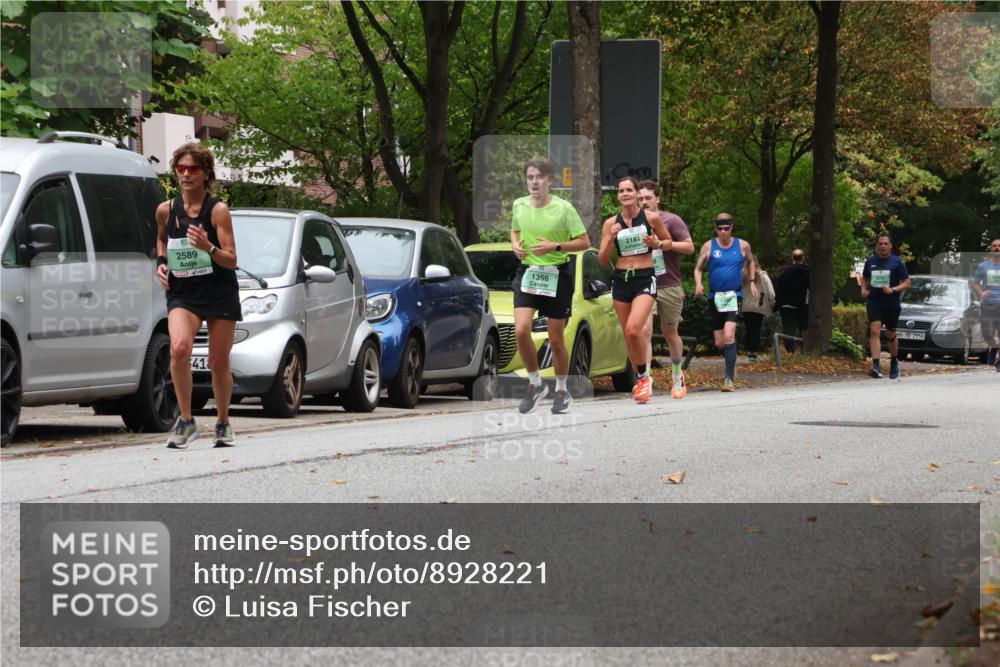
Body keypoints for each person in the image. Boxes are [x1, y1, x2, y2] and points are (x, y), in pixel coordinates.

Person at [155, 143, 241, 448]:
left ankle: (223, 422)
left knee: (218, 361)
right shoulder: (166, 210)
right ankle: (186, 420)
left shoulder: (218, 211)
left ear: (206, 173)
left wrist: (208, 247)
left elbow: (231, 259)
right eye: (181, 168)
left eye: (193, 168)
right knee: (179, 349)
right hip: (184, 292)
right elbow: (161, 242)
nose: (186, 174)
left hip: (218, 291)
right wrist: (161, 263)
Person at [511, 157, 591, 414]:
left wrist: (555, 246)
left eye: (539, 177)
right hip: (528, 272)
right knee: (521, 330)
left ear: (550, 181)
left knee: (556, 338)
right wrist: (515, 244)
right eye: (530, 177)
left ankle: (561, 390)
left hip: (557, 274)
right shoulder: (519, 205)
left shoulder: (564, 208)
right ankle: (535, 384)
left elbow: (584, 242)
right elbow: (515, 230)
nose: (534, 182)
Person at [598, 176, 672, 404]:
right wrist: (610, 239)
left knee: (633, 329)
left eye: (629, 190)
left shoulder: (651, 218)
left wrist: (656, 244)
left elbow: (668, 242)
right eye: (621, 191)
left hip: (644, 277)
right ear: (618, 196)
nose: (625, 194)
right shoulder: (611, 223)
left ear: (636, 193)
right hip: (621, 279)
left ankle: (643, 376)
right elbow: (603, 260)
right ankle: (641, 379)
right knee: (628, 336)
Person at [637, 180, 694, 399]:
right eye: (640, 199)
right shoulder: (633, 222)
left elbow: (689, 247)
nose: (644, 202)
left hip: (669, 285)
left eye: (648, 198)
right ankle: (645, 380)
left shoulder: (671, 220)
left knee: (670, 333)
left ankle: (677, 374)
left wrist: (661, 244)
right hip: (644, 283)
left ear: (657, 199)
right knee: (645, 331)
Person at [693, 213, 759, 392]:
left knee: (729, 335)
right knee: (720, 342)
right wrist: (698, 284)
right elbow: (698, 269)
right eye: (720, 229)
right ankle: (731, 358)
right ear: (716, 228)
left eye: (726, 228)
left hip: (733, 296)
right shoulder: (708, 246)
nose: (723, 232)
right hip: (714, 297)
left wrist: (752, 281)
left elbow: (751, 261)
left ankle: (728, 379)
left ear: (731, 227)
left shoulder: (742, 245)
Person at [860, 233, 911, 379]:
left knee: (890, 333)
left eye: (885, 243)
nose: (883, 246)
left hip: (891, 303)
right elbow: (864, 278)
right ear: (877, 246)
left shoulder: (897, 262)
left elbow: (907, 282)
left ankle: (894, 361)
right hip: (874, 301)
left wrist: (893, 289)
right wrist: (863, 290)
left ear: (890, 246)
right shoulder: (871, 261)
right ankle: (875, 365)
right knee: (874, 330)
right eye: (880, 243)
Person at [971, 238, 1000, 371]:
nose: (997, 248)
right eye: (994, 246)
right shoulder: (983, 266)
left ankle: (998, 359)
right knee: (987, 334)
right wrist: (981, 293)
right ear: (991, 249)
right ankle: (994, 348)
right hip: (987, 304)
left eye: (999, 246)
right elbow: (975, 282)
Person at [774, 249, 810, 353]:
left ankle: (790, 351)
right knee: (804, 328)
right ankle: (805, 351)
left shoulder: (785, 273)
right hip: (803, 305)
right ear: (803, 258)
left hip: (786, 305)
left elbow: (779, 290)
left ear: (792, 258)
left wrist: (777, 306)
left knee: (788, 329)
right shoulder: (807, 272)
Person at [741, 256, 775, 361]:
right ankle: (753, 352)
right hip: (759, 305)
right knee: (756, 329)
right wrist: (772, 302)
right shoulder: (762, 275)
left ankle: (749, 351)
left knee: (749, 329)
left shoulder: (742, 275)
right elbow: (770, 291)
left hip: (746, 306)